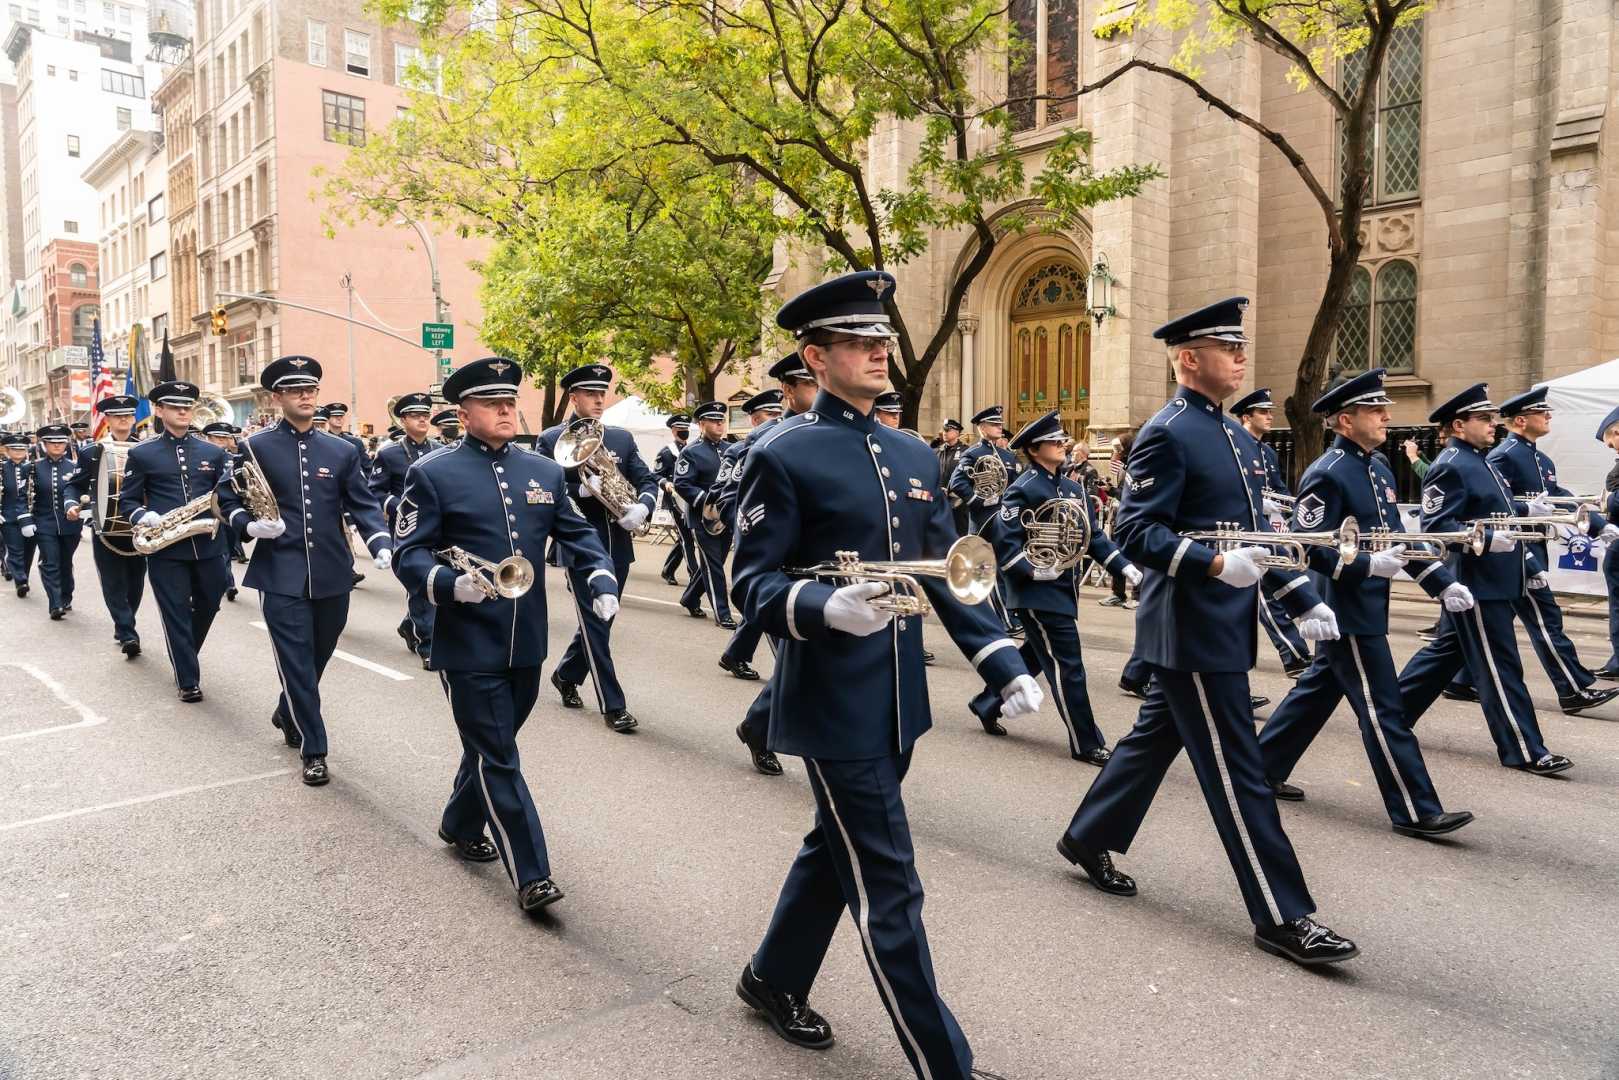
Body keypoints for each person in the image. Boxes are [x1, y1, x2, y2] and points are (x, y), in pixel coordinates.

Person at [733, 269, 1042, 1080]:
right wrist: (823, 606)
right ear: (816, 355)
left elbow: (952, 570)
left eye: (882, 341)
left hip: (899, 697)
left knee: (831, 850)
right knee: (889, 885)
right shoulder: (781, 453)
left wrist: (999, 657)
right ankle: (946, 1065)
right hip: (832, 702)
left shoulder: (908, 451)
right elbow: (748, 581)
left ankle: (770, 978)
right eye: (859, 342)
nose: (879, 351)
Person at [1057, 296, 1357, 968]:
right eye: (1228, 347)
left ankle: (1087, 834)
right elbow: (1133, 531)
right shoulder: (1168, 432)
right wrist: (1215, 564)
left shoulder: (1236, 437)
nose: (1241, 356)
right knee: (1237, 772)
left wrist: (1300, 594)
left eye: (1240, 346)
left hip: (1219, 624)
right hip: (1190, 626)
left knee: (1152, 739)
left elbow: (1258, 534)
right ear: (1189, 360)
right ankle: (1284, 914)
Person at [395, 356, 620, 914]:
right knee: (500, 753)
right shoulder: (434, 472)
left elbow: (577, 532)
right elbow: (409, 552)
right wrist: (448, 585)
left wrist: (599, 573)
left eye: (509, 400)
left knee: (491, 740)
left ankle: (457, 819)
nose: (505, 409)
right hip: (467, 640)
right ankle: (532, 873)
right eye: (491, 402)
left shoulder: (542, 470)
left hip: (527, 641)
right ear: (464, 412)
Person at [1255, 369, 1475, 838]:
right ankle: (1416, 809)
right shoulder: (1328, 473)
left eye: (1383, 408)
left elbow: (1393, 538)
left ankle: (1259, 771)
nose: (1386, 416)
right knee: (1383, 708)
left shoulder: (1375, 467)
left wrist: (1438, 582)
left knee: (1317, 692)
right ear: (1343, 420)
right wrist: (1365, 568)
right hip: (1345, 607)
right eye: (1375, 410)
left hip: (1367, 604)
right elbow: (1307, 544)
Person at [1396, 383, 1576, 777]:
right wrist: (1490, 539)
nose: (1493, 424)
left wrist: (1534, 514)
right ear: (1459, 425)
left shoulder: (1481, 460)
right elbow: (1438, 529)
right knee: (1501, 667)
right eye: (1483, 418)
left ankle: (1389, 720)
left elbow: (1501, 509)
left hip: (1497, 579)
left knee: (1444, 656)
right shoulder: (1450, 464)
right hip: (1477, 583)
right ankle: (1525, 748)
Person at [237, 356, 392, 786]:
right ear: (277, 397)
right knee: (297, 662)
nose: (306, 396)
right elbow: (228, 498)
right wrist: (246, 525)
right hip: (279, 571)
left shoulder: (342, 450)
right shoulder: (256, 447)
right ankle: (314, 749)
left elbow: (361, 502)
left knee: (319, 653)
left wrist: (379, 540)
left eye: (311, 389)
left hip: (331, 571)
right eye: (295, 390)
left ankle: (288, 709)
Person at [966, 408, 1139, 763]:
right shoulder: (1022, 490)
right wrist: (1032, 571)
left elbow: (1092, 538)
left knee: (1034, 655)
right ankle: (1086, 742)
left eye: (1061, 439)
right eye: (1053, 441)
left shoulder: (1072, 487)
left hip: (1062, 587)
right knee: (1068, 666)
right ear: (1033, 449)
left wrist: (1123, 567)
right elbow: (1007, 546)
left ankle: (987, 702)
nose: (1061, 444)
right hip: (1036, 591)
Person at [1467, 386, 1617, 712]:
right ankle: (1572, 688)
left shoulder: (1540, 458)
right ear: (1521, 420)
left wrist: (1599, 524)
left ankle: (1459, 679)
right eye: (1541, 412)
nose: (1548, 416)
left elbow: (1558, 495)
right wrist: (1523, 511)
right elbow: (1491, 504)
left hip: (1531, 547)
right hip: (1516, 551)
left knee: (1470, 628)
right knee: (1545, 618)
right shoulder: (1503, 455)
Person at [535, 363, 658, 733]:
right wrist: (578, 491)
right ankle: (613, 705)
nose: (599, 399)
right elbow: (540, 492)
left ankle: (566, 674)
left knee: (604, 618)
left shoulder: (619, 438)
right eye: (590, 393)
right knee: (595, 620)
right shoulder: (551, 439)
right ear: (573, 397)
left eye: (602, 393)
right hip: (579, 544)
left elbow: (647, 478)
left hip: (618, 543)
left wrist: (643, 505)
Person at [721, 352, 820, 777]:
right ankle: (763, 730)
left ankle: (756, 726)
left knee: (805, 667)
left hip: (829, 572)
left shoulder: (834, 433)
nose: (818, 391)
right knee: (804, 666)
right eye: (809, 384)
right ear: (790, 391)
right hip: (782, 575)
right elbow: (733, 500)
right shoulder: (768, 441)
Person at [117, 380, 244, 702]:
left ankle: (183, 651)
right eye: (175, 406)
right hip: (166, 547)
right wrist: (142, 516)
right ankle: (188, 679)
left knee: (210, 603)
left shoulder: (213, 452)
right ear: (159, 411)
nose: (184, 410)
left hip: (209, 543)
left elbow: (227, 497)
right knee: (174, 610)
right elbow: (128, 502)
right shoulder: (142, 453)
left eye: (187, 406)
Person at [1232, 388, 1312, 678]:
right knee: (1267, 595)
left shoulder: (1266, 451)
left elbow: (1277, 488)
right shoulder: (1234, 445)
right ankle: (1295, 655)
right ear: (1246, 416)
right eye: (1263, 412)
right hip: (1240, 531)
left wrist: (1285, 507)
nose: (1269, 417)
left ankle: (1141, 672)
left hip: (1266, 528)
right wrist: (1255, 501)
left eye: (1270, 411)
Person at [709, 389, 784, 681]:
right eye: (770, 415)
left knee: (765, 599)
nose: (777, 419)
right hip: (758, 533)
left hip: (782, 532)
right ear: (755, 420)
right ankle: (789, 680)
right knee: (775, 599)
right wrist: (748, 530)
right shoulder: (743, 448)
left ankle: (736, 654)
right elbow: (726, 496)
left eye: (779, 413)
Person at [64, 395, 147, 654]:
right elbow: (74, 486)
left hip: (138, 528)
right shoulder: (92, 452)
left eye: (128, 415)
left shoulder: (147, 450)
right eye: (117, 416)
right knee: (113, 582)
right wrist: (71, 505)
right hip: (104, 527)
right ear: (108, 420)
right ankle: (126, 631)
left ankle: (125, 621)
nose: (123, 419)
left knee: (136, 582)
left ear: (134, 418)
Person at [369, 392, 441, 669]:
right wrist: (400, 506)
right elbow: (375, 491)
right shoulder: (389, 453)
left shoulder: (440, 450)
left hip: (438, 528)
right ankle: (428, 644)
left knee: (435, 583)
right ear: (403, 420)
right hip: (406, 529)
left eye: (425, 414)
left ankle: (409, 624)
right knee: (420, 584)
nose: (423, 419)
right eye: (415, 415)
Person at [672, 400, 738, 629]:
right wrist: (707, 502)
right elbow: (681, 483)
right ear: (702, 424)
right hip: (702, 517)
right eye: (714, 421)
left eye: (722, 420)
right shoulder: (691, 452)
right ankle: (723, 613)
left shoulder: (730, 449)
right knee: (714, 566)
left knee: (714, 563)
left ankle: (690, 597)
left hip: (726, 517)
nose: (720, 424)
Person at [23, 424, 83, 620]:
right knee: (50, 561)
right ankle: (55, 603)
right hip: (44, 522)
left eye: (61, 442)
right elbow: (24, 495)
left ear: (66, 444)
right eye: (52, 443)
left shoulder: (76, 467)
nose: (57, 446)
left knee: (65, 562)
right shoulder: (33, 467)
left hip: (70, 524)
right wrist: (26, 519)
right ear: (44, 444)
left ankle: (66, 595)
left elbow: (83, 493)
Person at [202, 421, 244, 602]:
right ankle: (228, 583)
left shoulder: (233, 458)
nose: (221, 441)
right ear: (208, 438)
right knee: (219, 553)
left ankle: (228, 582)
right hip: (205, 512)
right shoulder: (201, 456)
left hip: (226, 510)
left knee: (226, 549)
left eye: (224, 438)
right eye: (217, 438)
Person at [654, 413, 694, 586]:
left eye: (686, 429)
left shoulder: (692, 449)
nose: (684, 431)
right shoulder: (666, 452)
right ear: (673, 430)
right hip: (675, 500)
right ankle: (696, 574)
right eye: (681, 429)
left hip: (691, 499)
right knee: (687, 537)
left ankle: (668, 569)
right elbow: (655, 475)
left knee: (684, 538)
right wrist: (666, 483)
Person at [2, 431, 38, 597]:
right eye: (14, 449)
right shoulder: (1, 468)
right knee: (15, 550)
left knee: (28, 551)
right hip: (8, 516)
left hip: (30, 516)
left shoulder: (33, 468)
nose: (18, 453)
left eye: (21, 449)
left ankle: (24, 576)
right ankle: (21, 581)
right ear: (7, 451)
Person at [935, 418, 968, 535]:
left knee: (959, 533)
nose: (944, 432)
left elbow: (967, 477)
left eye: (948, 430)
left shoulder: (966, 452)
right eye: (944, 430)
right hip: (939, 499)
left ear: (957, 433)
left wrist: (950, 491)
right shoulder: (937, 451)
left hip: (958, 502)